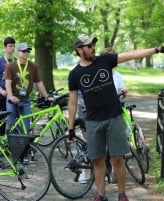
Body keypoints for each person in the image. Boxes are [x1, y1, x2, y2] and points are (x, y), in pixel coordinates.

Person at [68, 33, 163, 201]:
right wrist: (70, 128)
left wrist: (157, 49)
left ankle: (122, 194)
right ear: (79, 50)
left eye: (93, 45)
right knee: (98, 160)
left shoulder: (105, 61)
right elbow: (73, 102)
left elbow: (132, 54)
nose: (93, 48)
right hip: (92, 122)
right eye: (89, 46)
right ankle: (101, 195)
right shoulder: (74, 74)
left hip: (114, 117)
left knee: (117, 158)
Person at [5, 42, 50, 132]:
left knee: (26, 128)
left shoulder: (33, 66)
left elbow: (39, 82)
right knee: (11, 127)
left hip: (25, 100)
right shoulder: (11, 66)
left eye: (28, 51)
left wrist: (46, 96)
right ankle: (11, 145)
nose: (26, 53)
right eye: (23, 51)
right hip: (12, 100)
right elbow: (7, 83)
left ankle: (23, 145)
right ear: (18, 52)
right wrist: (10, 96)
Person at [0, 37, 16, 111]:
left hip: (15, 93)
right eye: (10, 46)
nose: (12, 48)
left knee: (16, 118)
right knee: (3, 119)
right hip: (3, 94)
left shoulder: (17, 62)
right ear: (5, 47)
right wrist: (1, 90)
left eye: (14, 46)